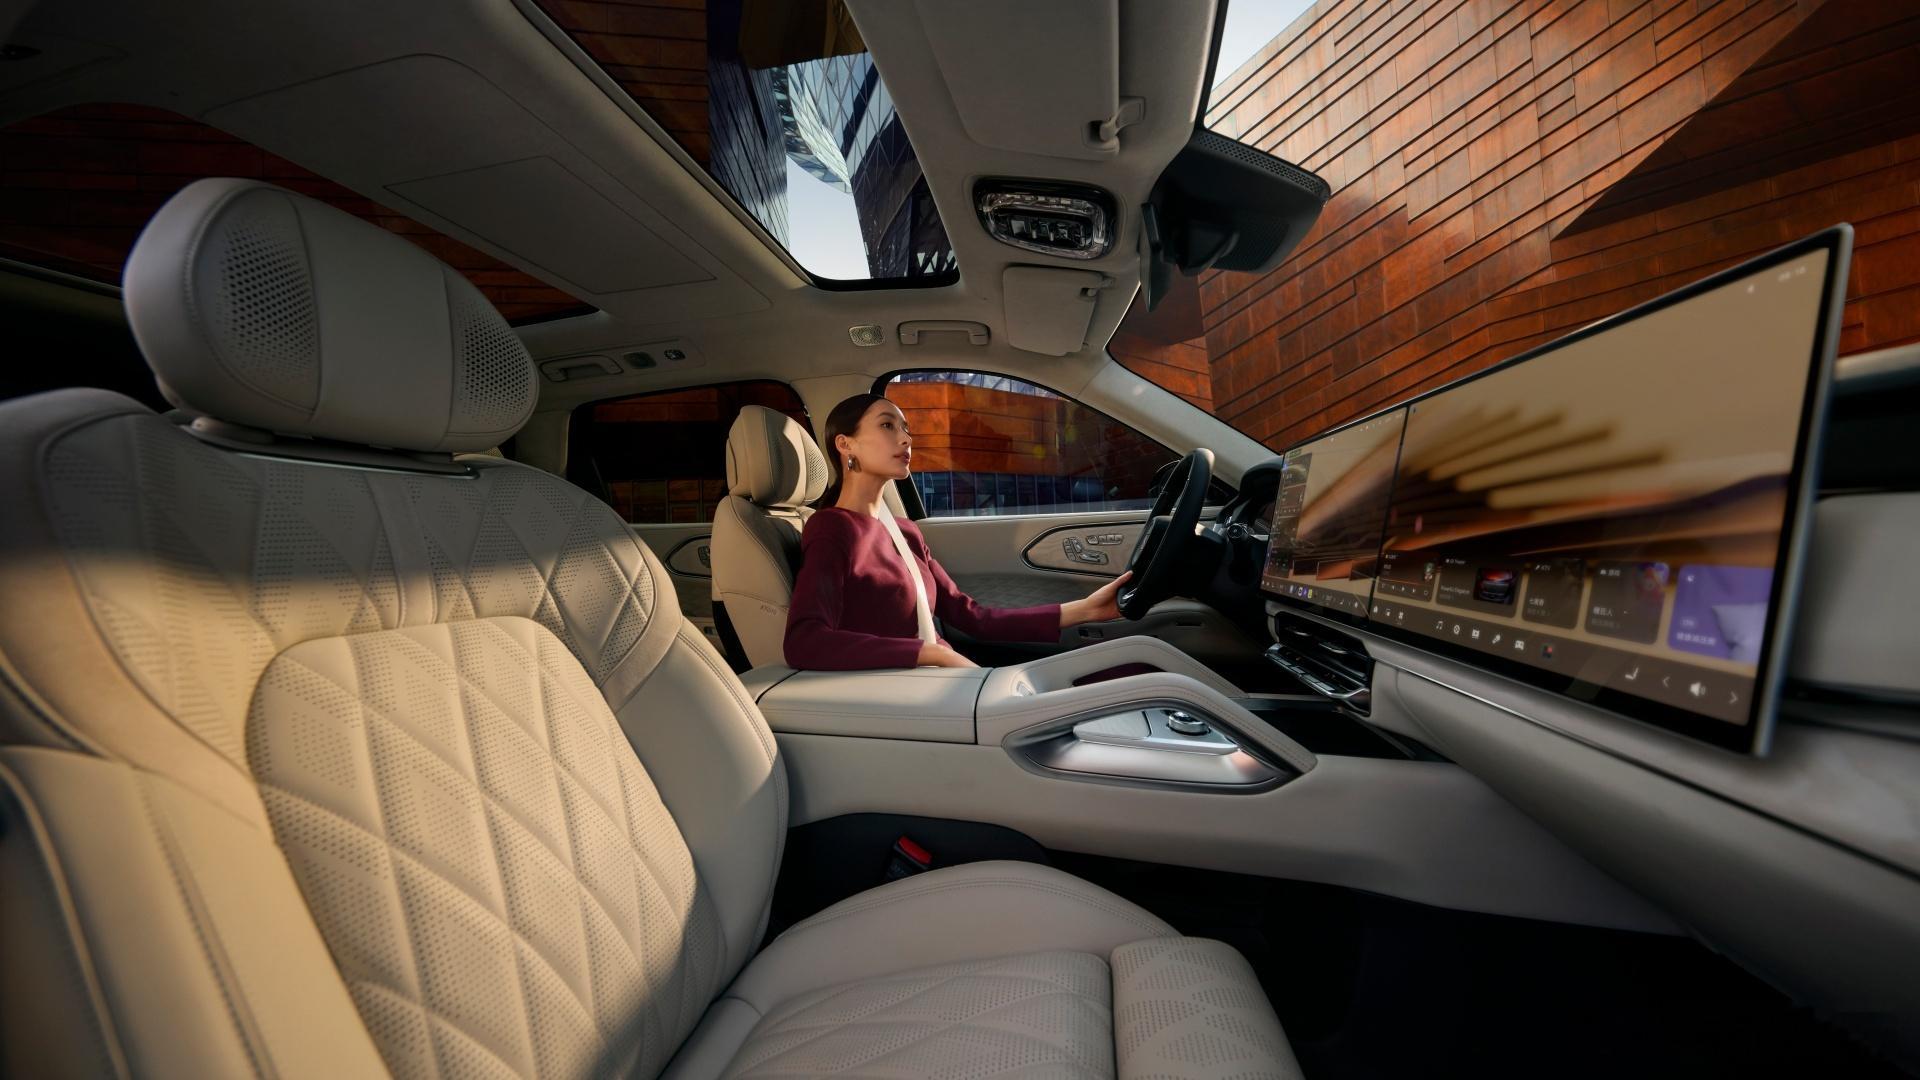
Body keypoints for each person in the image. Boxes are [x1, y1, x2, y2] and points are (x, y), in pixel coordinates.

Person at [783, 393, 1130, 670]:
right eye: (887, 425)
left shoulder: (905, 532)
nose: (905, 438)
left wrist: (1086, 609)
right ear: (845, 444)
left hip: (947, 678)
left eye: (906, 429)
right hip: (907, 693)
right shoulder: (832, 528)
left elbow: (974, 618)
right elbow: (805, 641)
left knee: (1126, 668)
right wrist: (931, 654)